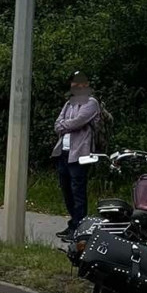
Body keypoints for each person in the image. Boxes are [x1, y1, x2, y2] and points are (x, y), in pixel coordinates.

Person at [52, 71, 101, 238]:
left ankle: (80, 228)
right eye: (73, 83)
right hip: (64, 153)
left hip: (80, 154)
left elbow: (78, 122)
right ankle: (73, 223)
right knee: (66, 190)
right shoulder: (69, 104)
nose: (74, 86)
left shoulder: (91, 103)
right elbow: (57, 124)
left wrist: (65, 125)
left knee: (77, 190)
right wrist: (66, 125)